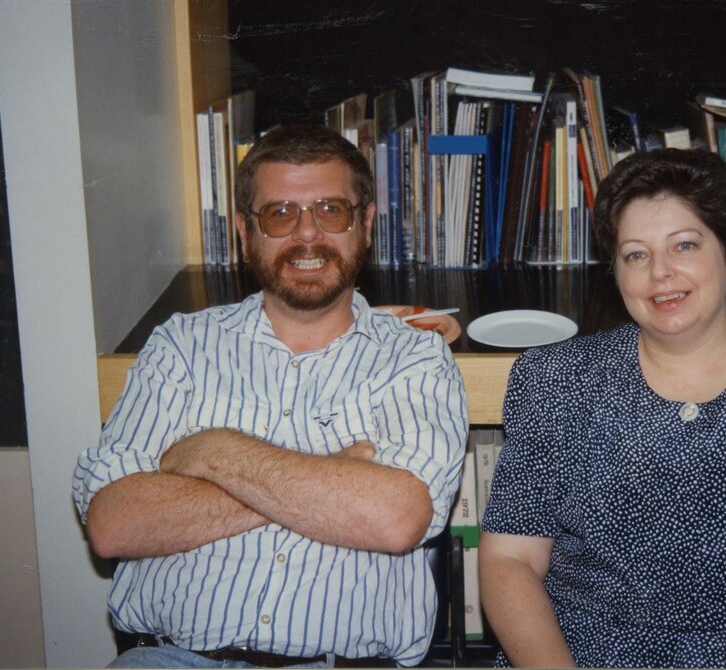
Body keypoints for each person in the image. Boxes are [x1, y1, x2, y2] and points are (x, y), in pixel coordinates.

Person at [73, 124, 469, 668]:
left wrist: (211, 452)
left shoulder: (413, 357)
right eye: (280, 214)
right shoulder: (182, 347)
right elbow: (114, 523)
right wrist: (331, 473)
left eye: (331, 210)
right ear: (244, 231)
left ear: (367, 224)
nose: (307, 235)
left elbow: (395, 519)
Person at [479, 148, 726, 668]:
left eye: (685, 245)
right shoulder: (554, 382)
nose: (661, 274)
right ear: (616, 271)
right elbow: (509, 559)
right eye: (636, 254)